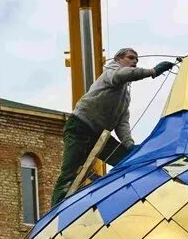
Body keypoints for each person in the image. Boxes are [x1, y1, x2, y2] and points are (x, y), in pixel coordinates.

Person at [50, 49, 175, 205]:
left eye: (136, 60)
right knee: (69, 173)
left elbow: (122, 122)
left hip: (98, 136)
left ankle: (123, 196)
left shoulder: (125, 95)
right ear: (117, 59)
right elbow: (120, 75)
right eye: (130, 58)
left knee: (127, 161)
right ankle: (56, 209)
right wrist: (152, 71)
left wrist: (129, 145)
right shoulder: (111, 71)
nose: (134, 62)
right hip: (79, 127)